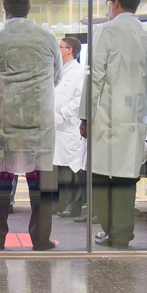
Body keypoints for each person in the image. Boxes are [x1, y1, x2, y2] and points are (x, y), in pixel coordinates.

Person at [77, 0, 147, 248]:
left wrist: (85, 116)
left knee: (99, 176)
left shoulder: (106, 31)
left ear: (114, 3)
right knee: (126, 178)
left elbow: (94, 77)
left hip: (107, 117)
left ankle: (111, 229)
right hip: (135, 119)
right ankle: (122, 233)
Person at [0, 0, 62, 250]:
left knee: (1, 183)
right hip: (39, 122)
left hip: (4, 121)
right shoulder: (48, 38)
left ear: (4, 10)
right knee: (41, 184)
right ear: (29, 8)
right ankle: (41, 239)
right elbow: (56, 77)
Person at [53, 35, 86, 217]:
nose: (57, 50)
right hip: (56, 127)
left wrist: (63, 114)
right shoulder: (57, 71)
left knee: (72, 169)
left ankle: (74, 206)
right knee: (60, 169)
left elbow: (79, 100)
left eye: (60, 47)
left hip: (69, 127)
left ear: (69, 50)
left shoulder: (79, 72)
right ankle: (61, 204)